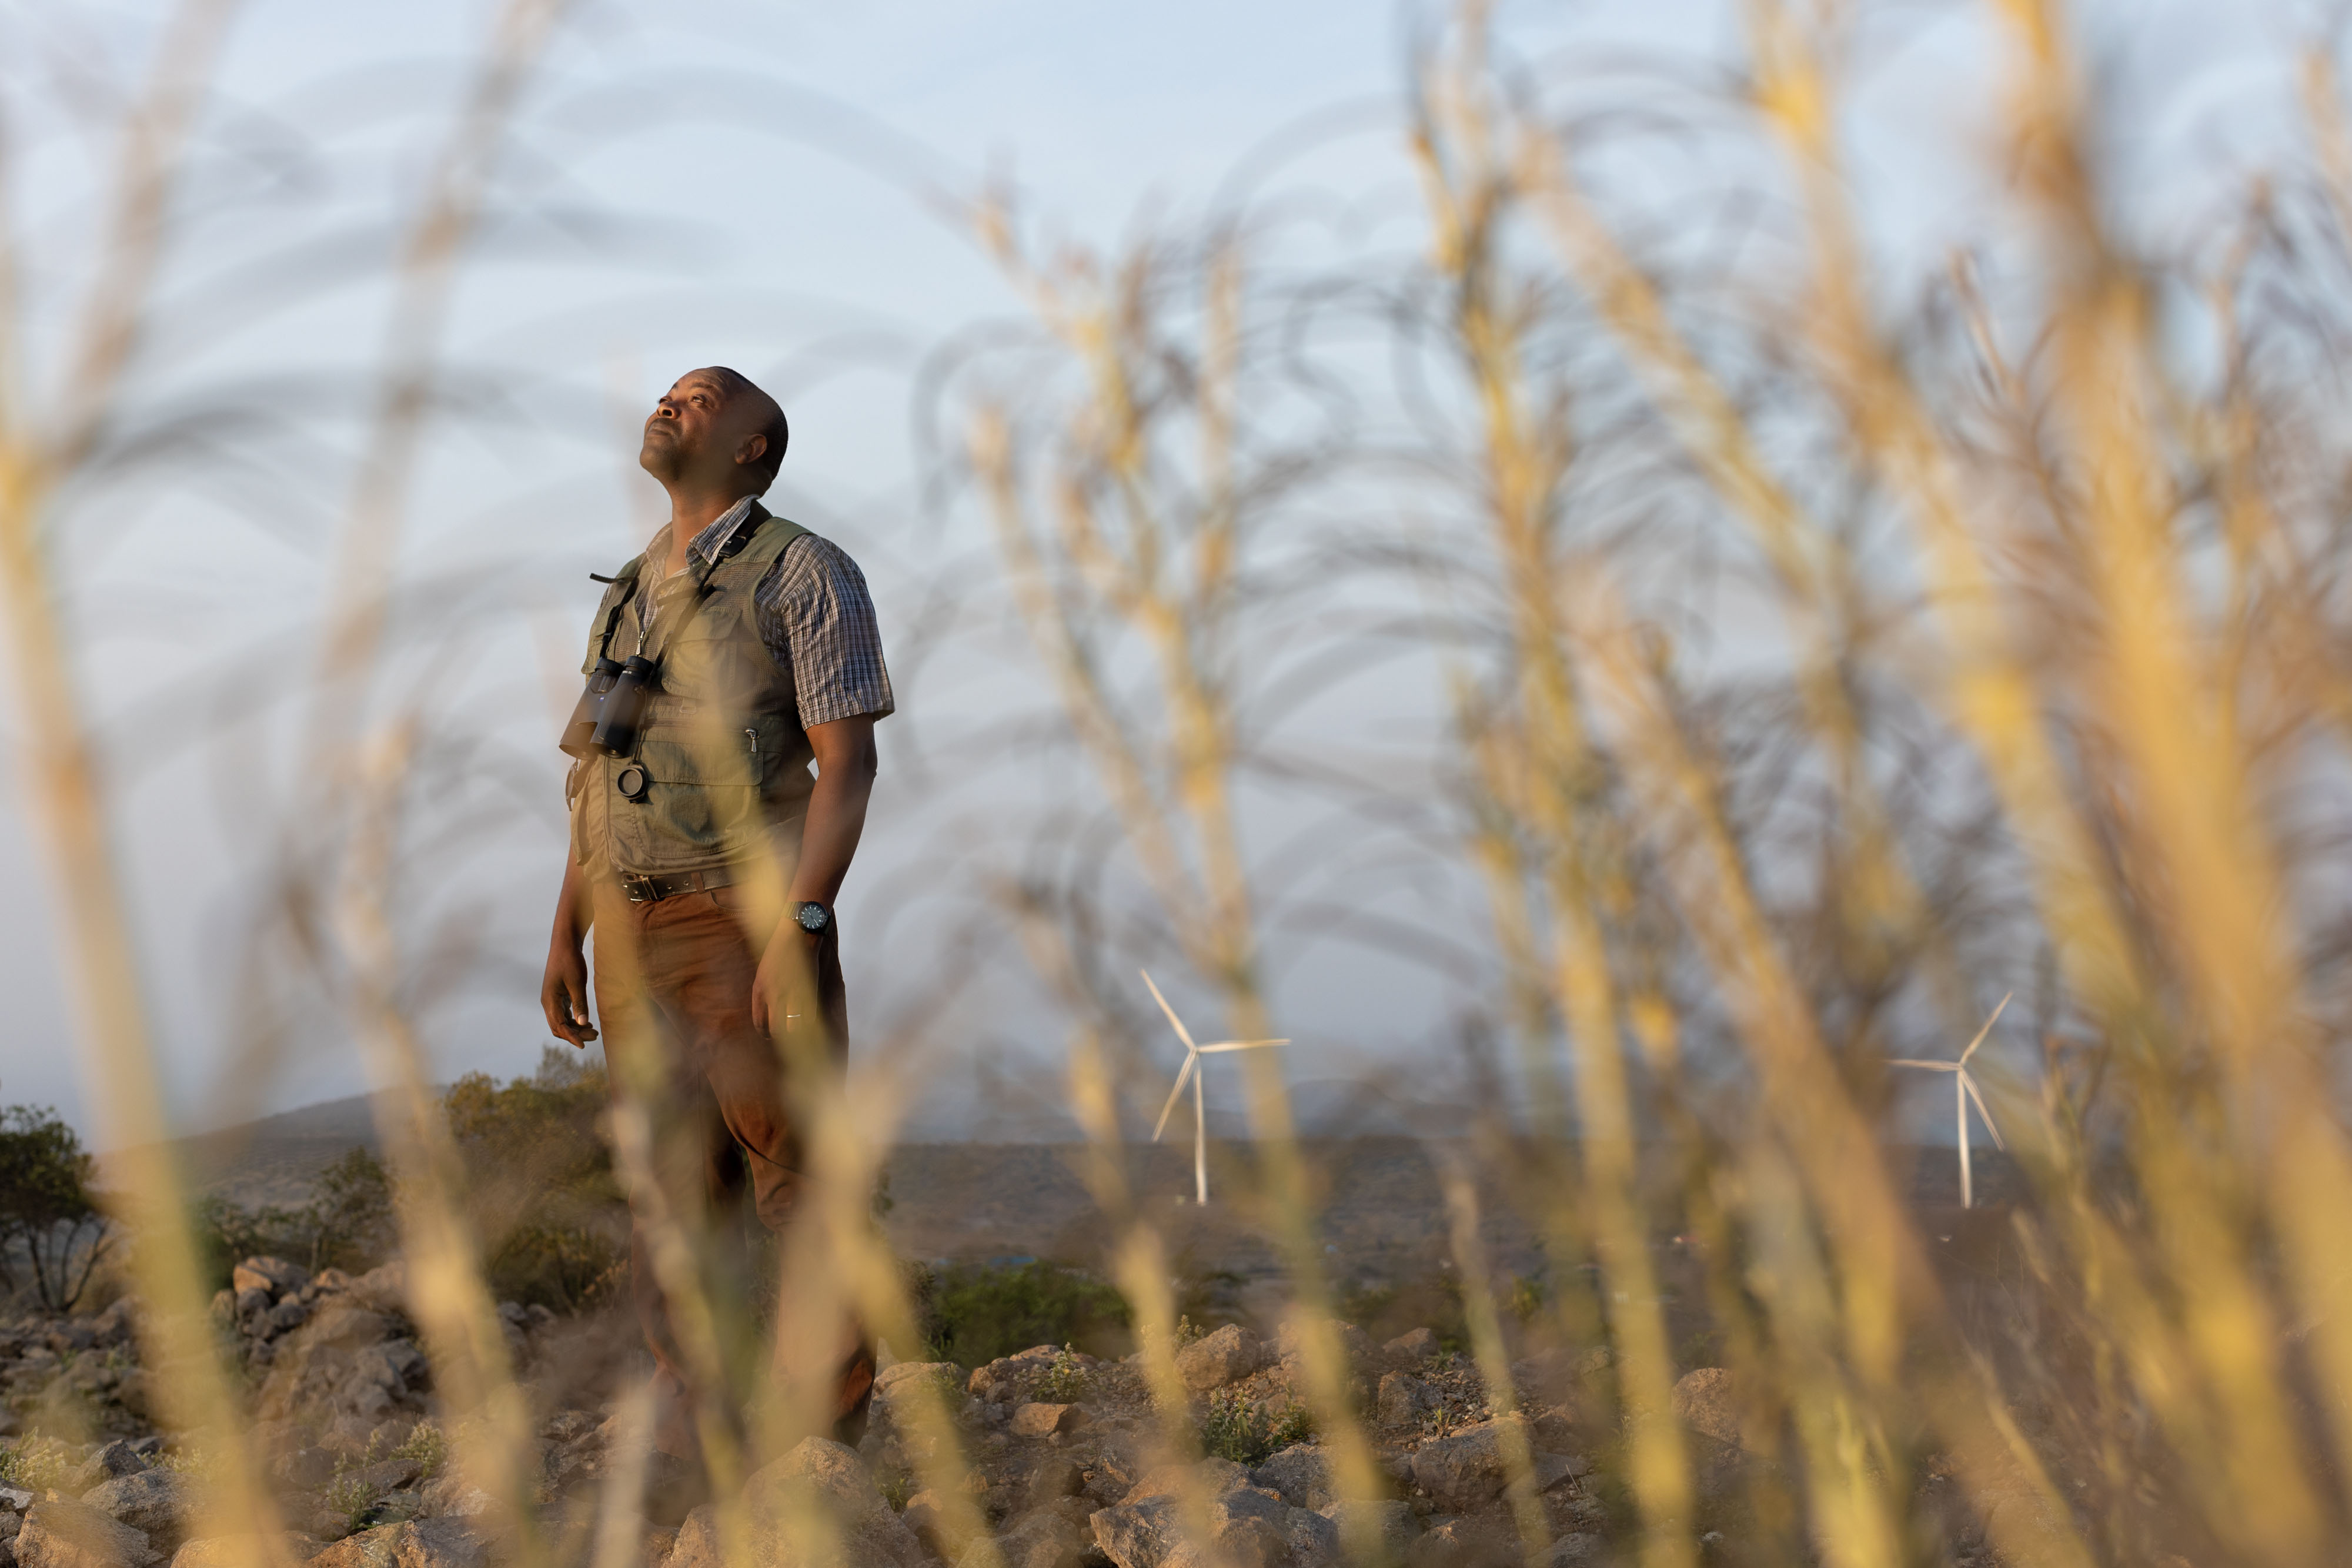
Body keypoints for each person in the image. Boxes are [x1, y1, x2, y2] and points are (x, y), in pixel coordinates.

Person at [538, 366, 892, 1503]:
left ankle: (826, 1461)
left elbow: (849, 765)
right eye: (668, 393)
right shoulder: (629, 587)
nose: (668, 403)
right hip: (630, 936)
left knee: (795, 1183)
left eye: (700, 397)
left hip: (747, 921)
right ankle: (698, 1462)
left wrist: (803, 918)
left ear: (754, 445)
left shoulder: (805, 571)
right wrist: (567, 933)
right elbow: (595, 779)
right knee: (673, 1207)